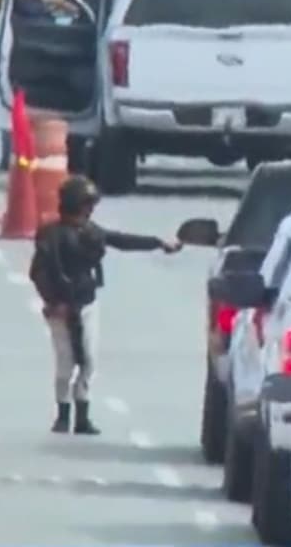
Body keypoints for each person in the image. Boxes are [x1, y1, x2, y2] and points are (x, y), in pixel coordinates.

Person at [28, 176, 182, 435]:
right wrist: (54, 302)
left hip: (87, 304)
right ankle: (63, 414)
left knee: (88, 360)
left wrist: (157, 242)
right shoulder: (51, 235)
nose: (90, 211)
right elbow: (39, 272)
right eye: (87, 205)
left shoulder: (91, 233)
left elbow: (120, 240)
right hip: (60, 308)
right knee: (65, 362)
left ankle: (82, 415)